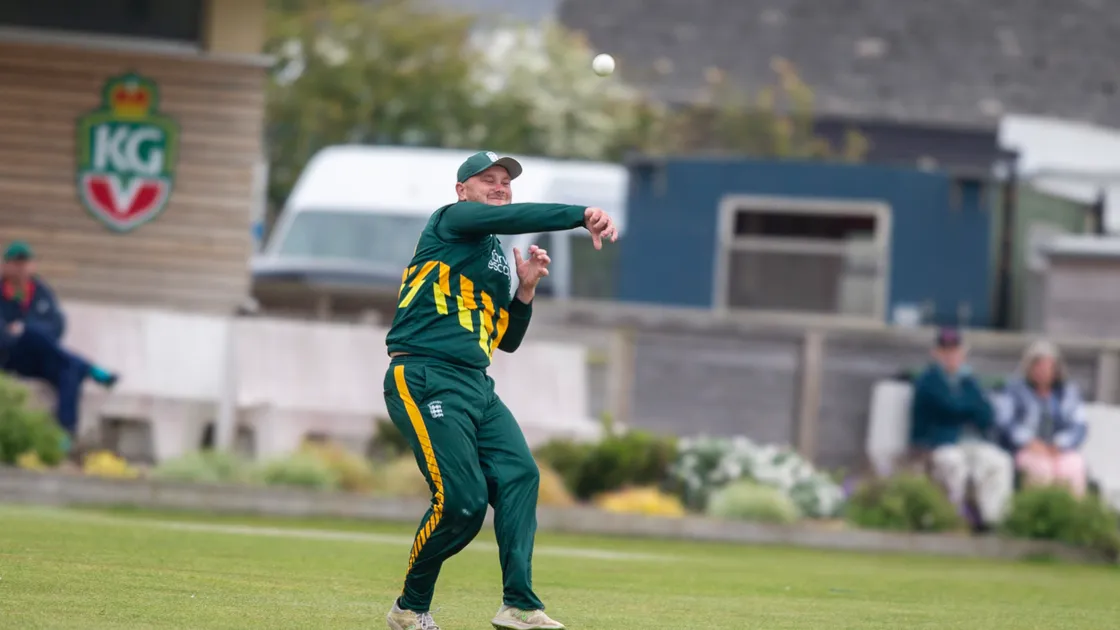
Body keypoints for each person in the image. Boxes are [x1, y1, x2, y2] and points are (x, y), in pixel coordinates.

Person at [382, 151, 616, 630]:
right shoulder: (451, 220)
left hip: (475, 384)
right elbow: (512, 217)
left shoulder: (492, 255)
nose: (499, 186)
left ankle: (519, 606)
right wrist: (579, 214)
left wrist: (525, 291)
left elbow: (504, 340)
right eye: (486, 179)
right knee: (462, 503)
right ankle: (409, 609)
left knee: (519, 475)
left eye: (505, 181)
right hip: (425, 374)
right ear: (461, 189)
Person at [0, 241, 119, 449]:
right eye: (15, 263)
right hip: (10, 358)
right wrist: (19, 334)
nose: (20, 268)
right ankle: (89, 368)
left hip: (40, 357)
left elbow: (57, 326)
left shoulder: (42, 292)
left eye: (24, 262)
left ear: (32, 266)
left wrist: (23, 329)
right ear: (6, 266)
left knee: (68, 369)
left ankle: (65, 435)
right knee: (34, 332)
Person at [908, 327, 1013, 532]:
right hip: (937, 444)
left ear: (962, 354)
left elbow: (987, 415)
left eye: (954, 351)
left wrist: (967, 405)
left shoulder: (969, 381)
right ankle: (952, 521)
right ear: (936, 353)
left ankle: (993, 522)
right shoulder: (928, 381)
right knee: (954, 464)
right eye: (945, 351)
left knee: (999, 462)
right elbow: (949, 407)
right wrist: (969, 406)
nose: (950, 355)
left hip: (970, 443)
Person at [993, 340, 1089, 497]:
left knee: (1073, 466)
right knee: (1040, 469)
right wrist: (1029, 441)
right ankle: (1038, 513)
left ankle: (1071, 516)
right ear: (1029, 367)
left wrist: (1060, 444)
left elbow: (1079, 425)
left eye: (1047, 366)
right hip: (1027, 448)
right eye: (1038, 365)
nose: (1043, 370)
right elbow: (1004, 422)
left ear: (1056, 369)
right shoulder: (1014, 390)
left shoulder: (1068, 392)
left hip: (1059, 449)